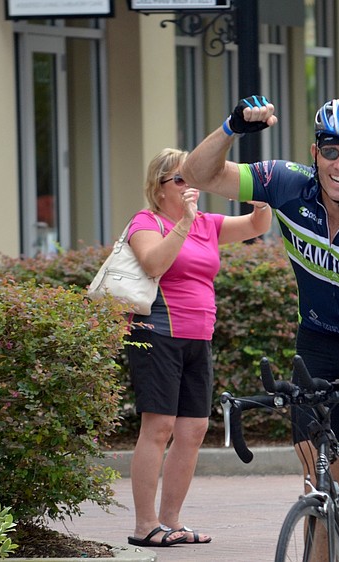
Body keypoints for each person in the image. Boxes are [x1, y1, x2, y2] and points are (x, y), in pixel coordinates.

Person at [182, 96, 339, 561]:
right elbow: (198, 174)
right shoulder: (285, 183)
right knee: (321, 493)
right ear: (314, 151)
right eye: (331, 151)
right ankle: (338, 524)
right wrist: (230, 127)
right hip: (319, 342)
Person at [125, 148, 273, 548]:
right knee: (159, 427)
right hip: (155, 333)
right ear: (159, 189)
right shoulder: (146, 222)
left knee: (193, 429)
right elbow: (154, 264)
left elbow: (257, 224)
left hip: (197, 337)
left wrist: (261, 193)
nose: (191, 186)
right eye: (181, 179)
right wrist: (184, 222)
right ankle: (144, 525)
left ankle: (170, 521)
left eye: (195, 178)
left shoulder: (208, 224)